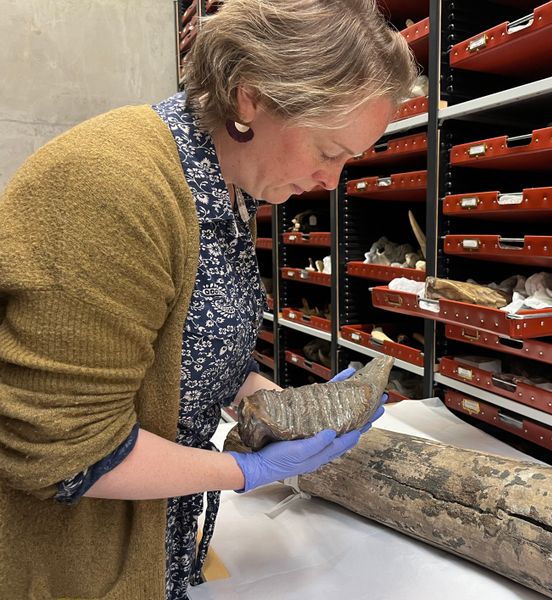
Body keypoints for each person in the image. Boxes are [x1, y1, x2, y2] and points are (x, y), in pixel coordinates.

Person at [0, 0, 417, 598]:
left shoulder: (228, 186)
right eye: (329, 151)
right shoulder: (113, 189)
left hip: (157, 531)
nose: (335, 180)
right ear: (252, 99)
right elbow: (59, 450)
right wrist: (243, 471)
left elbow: (181, 351)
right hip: (70, 554)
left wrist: (282, 408)